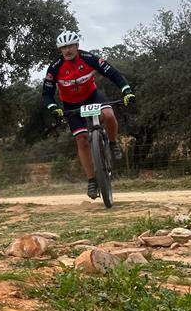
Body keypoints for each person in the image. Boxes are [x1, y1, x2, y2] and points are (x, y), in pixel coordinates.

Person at [42, 31, 135, 199]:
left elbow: (113, 73)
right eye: (63, 47)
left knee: (108, 114)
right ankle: (92, 180)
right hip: (71, 104)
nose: (67, 50)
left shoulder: (89, 58)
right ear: (60, 50)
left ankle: (113, 143)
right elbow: (47, 92)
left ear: (77, 46)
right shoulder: (55, 67)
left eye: (70, 46)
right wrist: (53, 106)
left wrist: (126, 90)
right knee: (82, 139)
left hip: (92, 96)